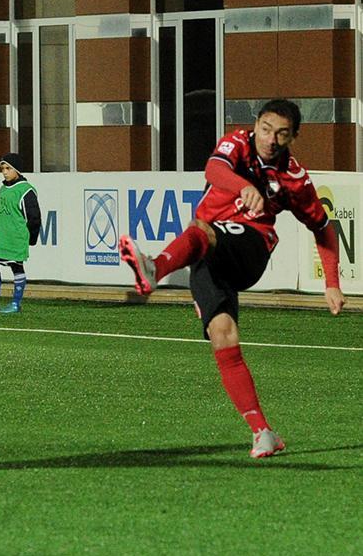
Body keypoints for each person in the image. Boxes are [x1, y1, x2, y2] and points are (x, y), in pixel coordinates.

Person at [119, 98, 345, 459]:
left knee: (200, 230)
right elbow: (213, 169)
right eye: (266, 129)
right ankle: (263, 432)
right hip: (209, 257)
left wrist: (331, 283)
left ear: (293, 137)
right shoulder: (237, 143)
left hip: (251, 246)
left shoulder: (294, 179)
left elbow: (322, 227)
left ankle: (154, 269)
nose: (271, 139)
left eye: (281, 134)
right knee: (223, 336)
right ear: (256, 125)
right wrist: (242, 186)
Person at [0, 152, 41, 313]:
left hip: (16, 237)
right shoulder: (3, 188)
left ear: (17, 170)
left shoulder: (26, 190)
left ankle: (16, 303)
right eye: (2, 168)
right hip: (1, 237)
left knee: (16, 267)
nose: (4, 172)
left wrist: (31, 238)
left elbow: (34, 217)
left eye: (8, 168)